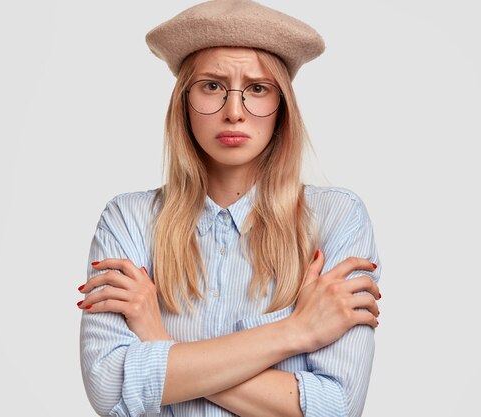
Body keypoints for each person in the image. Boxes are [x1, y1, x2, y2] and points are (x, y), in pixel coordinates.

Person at [77, 1, 382, 416]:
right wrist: (298, 331)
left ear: (282, 107)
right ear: (184, 101)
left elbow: (335, 407)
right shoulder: (129, 219)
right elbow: (110, 388)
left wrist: (156, 339)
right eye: (212, 86)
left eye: (257, 88)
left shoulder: (335, 219)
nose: (234, 112)